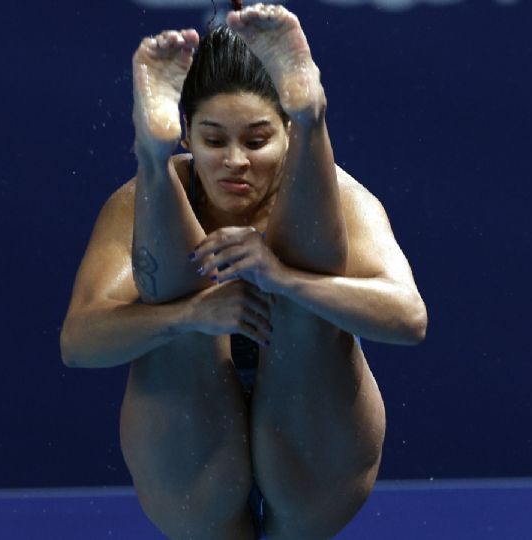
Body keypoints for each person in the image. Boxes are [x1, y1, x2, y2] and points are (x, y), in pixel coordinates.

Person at [60, 4, 427, 539]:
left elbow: (409, 319)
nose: (235, 161)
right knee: (176, 331)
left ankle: (313, 117)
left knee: (303, 312)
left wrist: (284, 280)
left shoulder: (342, 197)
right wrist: (191, 315)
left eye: (257, 140)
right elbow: (79, 344)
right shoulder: (136, 206)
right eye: (214, 140)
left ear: (285, 133)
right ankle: (150, 157)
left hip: (315, 443)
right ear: (184, 133)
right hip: (191, 447)